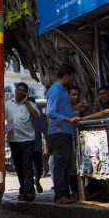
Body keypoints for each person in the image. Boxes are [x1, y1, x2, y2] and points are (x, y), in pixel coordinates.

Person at [46, 64, 80, 205]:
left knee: (66, 164)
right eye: (72, 76)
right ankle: (59, 195)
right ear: (67, 76)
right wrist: (69, 119)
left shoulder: (63, 90)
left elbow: (61, 109)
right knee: (60, 164)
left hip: (65, 131)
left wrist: (75, 108)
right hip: (59, 132)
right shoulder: (55, 91)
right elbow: (50, 112)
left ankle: (65, 194)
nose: (73, 79)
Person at [5, 82, 40, 201]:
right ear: (15, 91)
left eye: (22, 90)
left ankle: (29, 191)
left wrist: (26, 102)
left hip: (27, 140)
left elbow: (36, 116)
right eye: (18, 90)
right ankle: (23, 189)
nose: (20, 92)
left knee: (27, 165)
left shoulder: (31, 104)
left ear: (26, 93)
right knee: (19, 166)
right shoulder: (8, 104)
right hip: (13, 140)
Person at [29, 96, 49, 193]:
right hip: (26, 145)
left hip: (37, 146)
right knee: (28, 167)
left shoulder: (40, 117)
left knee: (38, 166)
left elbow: (45, 130)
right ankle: (30, 186)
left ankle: (37, 181)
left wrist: (48, 142)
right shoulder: (23, 116)